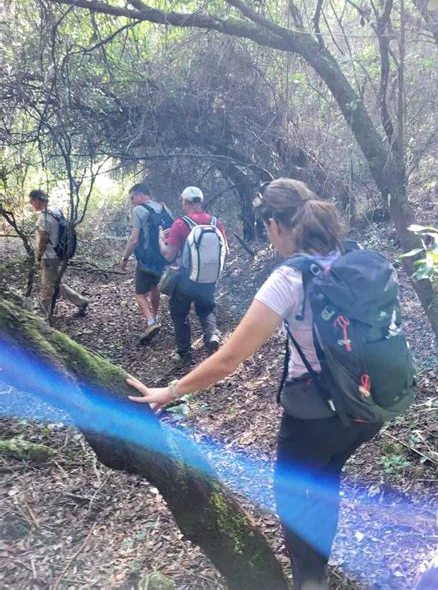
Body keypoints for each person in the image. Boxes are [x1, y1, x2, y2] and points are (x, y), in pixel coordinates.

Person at [128, 178, 382, 590]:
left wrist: (170, 391)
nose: (267, 235)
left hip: (315, 415)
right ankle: (319, 565)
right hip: (366, 404)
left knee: (294, 501)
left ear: (277, 224)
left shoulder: (291, 277)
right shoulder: (354, 258)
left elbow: (228, 359)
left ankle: (309, 581)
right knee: (325, 478)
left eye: (265, 226)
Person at [158, 186, 227, 364]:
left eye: (182, 202)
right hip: (209, 278)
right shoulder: (215, 222)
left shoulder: (180, 224)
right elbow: (226, 251)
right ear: (200, 201)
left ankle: (184, 354)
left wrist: (160, 240)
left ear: (187, 202)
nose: (182, 205)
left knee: (179, 313)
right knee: (206, 308)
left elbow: (169, 255)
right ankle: (212, 335)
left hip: (186, 280)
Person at [120, 183, 174, 344]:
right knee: (154, 286)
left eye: (132, 198)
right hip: (162, 257)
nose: (131, 202)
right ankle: (156, 317)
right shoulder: (163, 208)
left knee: (139, 293)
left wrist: (125, 258)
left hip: (145, 258)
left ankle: (151, 322)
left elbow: (134, 239)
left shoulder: (138, 210)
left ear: (141, 195)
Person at [29, 189, 88, 316]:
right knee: (55, 283)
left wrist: (39, 256)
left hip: (49, 256)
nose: (31, 204)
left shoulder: (43, 217)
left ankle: (43, 313)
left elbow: (43, 240)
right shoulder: (56, 211)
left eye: (32, 201)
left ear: (39, 200)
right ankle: (80, 302)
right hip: (59, 253)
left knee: (48, 286)